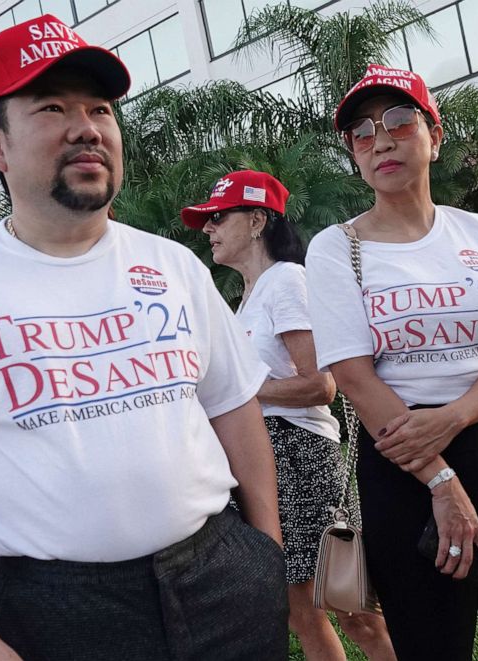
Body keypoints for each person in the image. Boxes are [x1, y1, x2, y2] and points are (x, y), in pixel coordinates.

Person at [0, 14, 288, 661]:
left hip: (221, 575)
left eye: (99, 108)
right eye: (51, 106)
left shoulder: (175, 267)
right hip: (61, 608)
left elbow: (233, 407)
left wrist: (265, 551)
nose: (86, 126)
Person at [305, 65, 478, 660]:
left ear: (434, 137)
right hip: (402, 469)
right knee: (432, 647)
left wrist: (454, 416)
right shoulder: (336, 247)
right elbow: (354, 379)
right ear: (354, 156)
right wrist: (441, 480)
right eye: (362, 134)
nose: (382, 140)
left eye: (399, 121)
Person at [182, 170, 396, 660]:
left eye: (219, 218)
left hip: (302, 458)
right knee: (300, 614)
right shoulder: (247, 298)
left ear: (257, 220)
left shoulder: (287, 282)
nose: (209, 229)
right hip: (263, 461)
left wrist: (240, 393)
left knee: (353, 609)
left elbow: (321, 385)